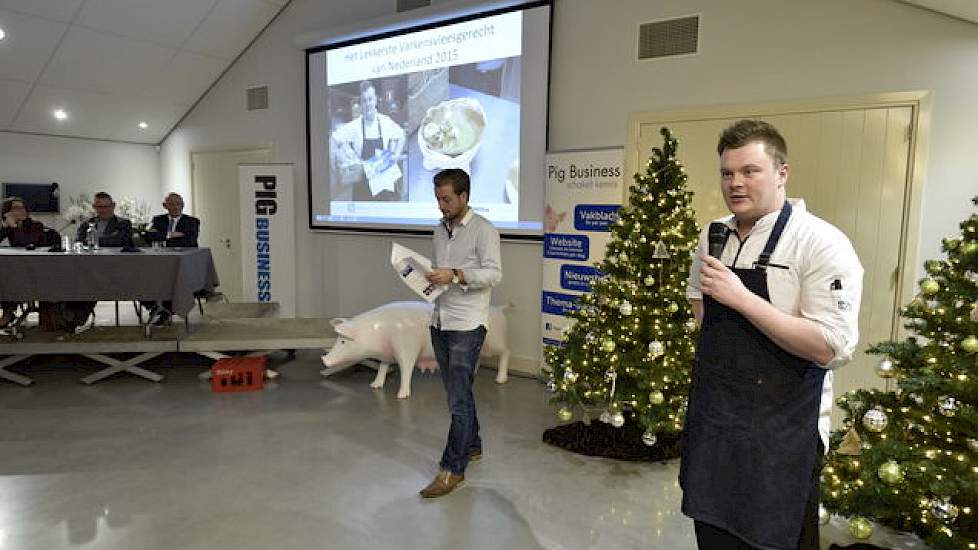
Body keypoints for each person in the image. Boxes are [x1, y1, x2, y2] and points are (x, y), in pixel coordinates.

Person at [680, 120, 864, 550]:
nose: (735, 183)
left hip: (781, 435)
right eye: (727, 173)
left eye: (750, 171)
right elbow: (699, 304)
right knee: (713, 535)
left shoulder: (821, 243)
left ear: (782, 173)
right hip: (715, 423)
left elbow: (831, 347)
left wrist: (744, 300)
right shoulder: (714, 234)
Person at [419, 168, 502, 498]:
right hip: (441, 319)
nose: (441, 205)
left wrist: (455, 274)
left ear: (465, 196)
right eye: (438, 198)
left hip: (467, 324)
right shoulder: (439, 231)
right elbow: (442, 275)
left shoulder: (484, 230)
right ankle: (474, 444)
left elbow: (494, 274)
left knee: (457, 400)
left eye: (447, 199)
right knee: (460, 393)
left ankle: (452, 469)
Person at [331, 80, 406, 201]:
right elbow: (334, 139)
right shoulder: (354, 126)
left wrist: (396, 155)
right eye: (364, 100)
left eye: (370, 99)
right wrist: (339, 164)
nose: (368, 104)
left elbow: (401, 135)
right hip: (362, 187)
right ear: (361, 103)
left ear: (376, 100)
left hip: (384, 185)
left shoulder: (385, 121)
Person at [0, 198, 57, 327]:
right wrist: (6, 227)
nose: (21, 211)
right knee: (5, 274)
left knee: (10, 276)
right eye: (16, 208)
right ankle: (8, 312)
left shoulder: (36, 225)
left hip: (35, 269)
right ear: (7, 212)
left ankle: (9, 313)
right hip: (11, 269)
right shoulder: (5, 226)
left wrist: (14, 227)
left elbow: (24, 242)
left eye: (22, 208)